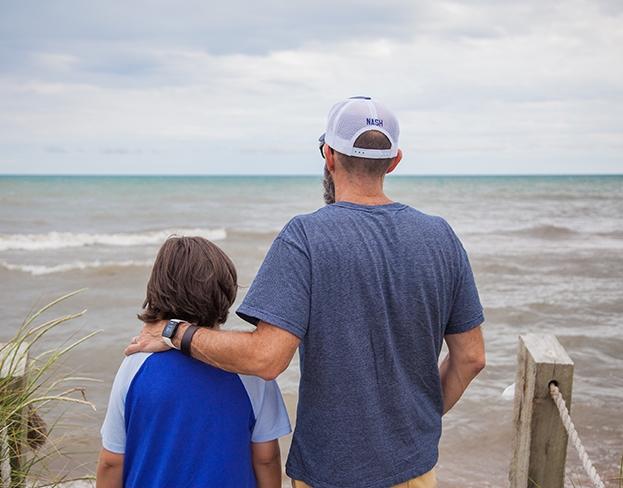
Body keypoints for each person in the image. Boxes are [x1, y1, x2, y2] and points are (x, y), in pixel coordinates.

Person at [127, 97, 486, 488]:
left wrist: (175, 332)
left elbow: (266, 359)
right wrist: (418, 422)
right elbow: (470, 358)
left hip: (331, 475)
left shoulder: (305, 237)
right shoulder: (441, 237)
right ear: (394, 160)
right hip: (416, 469)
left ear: (329, 156)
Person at [97, 236, 291, 488]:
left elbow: (111, 462)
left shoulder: (135, 365)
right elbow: (266, 458)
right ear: (225, 292)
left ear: (157, 290)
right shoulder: (248, 367)